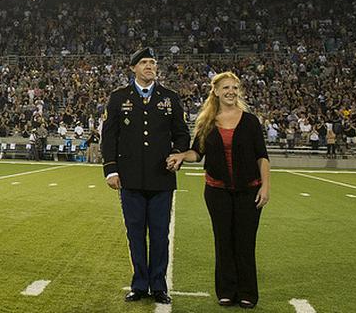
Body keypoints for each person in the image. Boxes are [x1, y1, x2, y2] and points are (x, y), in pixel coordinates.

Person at [167, 71, 270, 309]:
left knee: (245, 242)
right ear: (215, 91)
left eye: (234, 88)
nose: (231, 92)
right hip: (217, 192)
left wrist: (266, 186)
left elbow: (262, 156)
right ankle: (226, 291)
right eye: (226, 88)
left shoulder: (250, 121)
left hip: (249, 191)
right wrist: (182, 155)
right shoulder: (206, 122)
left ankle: (247, 293)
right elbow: (197, 153)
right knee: (223, 241)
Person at [101, 47, 189, 305]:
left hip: (161, 177)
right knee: (135, 233)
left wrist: (176, 153)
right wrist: (111, 169)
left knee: (160, 234)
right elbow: (109, 136)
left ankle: (159, 285)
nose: (150, 66)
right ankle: (140, 284)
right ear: (133, 68)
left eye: (152, 62)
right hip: (129, 179)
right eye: (144, 62)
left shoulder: (169, 97)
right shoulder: (118, 97)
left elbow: (182, 133)